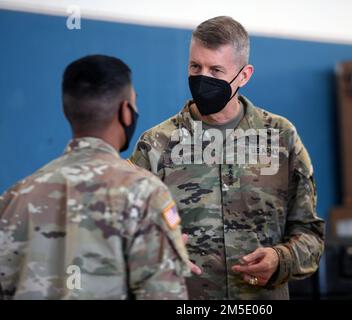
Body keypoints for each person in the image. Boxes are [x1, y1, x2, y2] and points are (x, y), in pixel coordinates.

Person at [130, 16, 325, 299]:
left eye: (216, 70)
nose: (202, 78)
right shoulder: (156, 144)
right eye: (195, 66)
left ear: (244, 76)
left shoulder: (281, 137)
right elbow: (126, 233)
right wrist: (155, 252)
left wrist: (280, 258)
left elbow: (311, 235)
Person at [0, 55, 190, 299]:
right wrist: (167, 255)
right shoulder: (145, 194)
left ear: (68, 111)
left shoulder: (15, 197)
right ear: (126, 112)